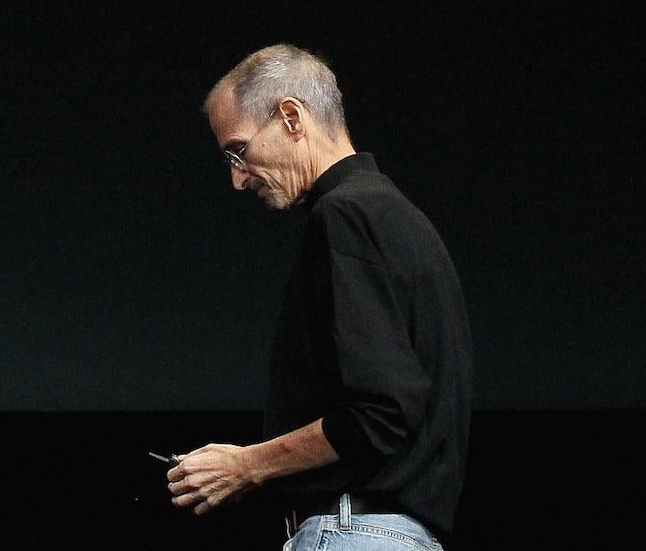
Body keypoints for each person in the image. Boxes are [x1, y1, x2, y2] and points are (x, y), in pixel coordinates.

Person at [168, 44, 470, 549]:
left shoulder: (345, 216)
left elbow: (384, 411)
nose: (237, 179)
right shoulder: (400, 220)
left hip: (356, 532)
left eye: (238, 151)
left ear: (290, 117)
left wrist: (247, 465)